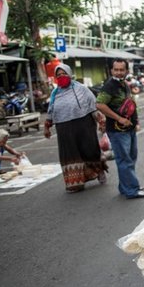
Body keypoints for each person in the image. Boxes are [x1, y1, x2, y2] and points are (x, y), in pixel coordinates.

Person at [43, 64, 107, 192]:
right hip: (64, 127)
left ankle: (98, 171)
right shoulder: (55, 93)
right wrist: (47, 126)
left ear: (70, 74)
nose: (61, 77)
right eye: (59, 75)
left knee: (90, 150)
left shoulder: (81, 89)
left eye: (64, 74)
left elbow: (92, 105)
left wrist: (100, 120)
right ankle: (75, 183)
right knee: (69, 154)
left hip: (84, 124)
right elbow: (50, 111)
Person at [96, 58, 144, 199]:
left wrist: (136, 121)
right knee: (125, 160)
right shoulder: (110, 86)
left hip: (129, 128)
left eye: (122, 70)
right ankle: (132, 190)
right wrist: (119, 118)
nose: (119, 72)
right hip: (117, 131)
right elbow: (100, 105)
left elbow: (131, 103)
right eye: (116, 69)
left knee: (131, 157)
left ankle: (125, 187)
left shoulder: (123, 84)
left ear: (126, 71)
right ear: (112, 70)